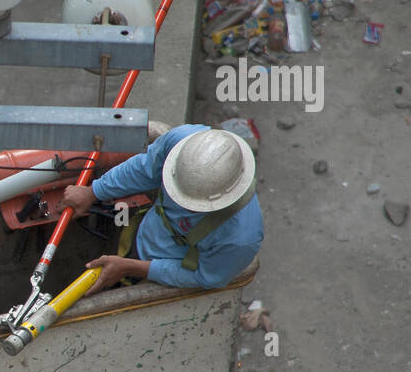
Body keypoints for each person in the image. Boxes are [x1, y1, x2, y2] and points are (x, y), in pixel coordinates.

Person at [57, 125, 263, 295]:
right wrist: (93, 191)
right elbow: (144, 168)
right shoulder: (181, 141)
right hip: (144, 233)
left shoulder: (240, 238)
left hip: (167, 277)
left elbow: (204, 277)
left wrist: (131, 268)